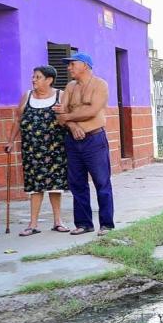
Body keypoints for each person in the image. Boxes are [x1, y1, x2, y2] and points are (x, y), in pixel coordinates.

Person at [52, 53, 114, 235]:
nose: (69, 67)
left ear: (85, 65)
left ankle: (107, 224)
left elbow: (93, 110)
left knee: (102, 182)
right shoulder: (70, 86)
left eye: (72, 64)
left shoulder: (100, 85)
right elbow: (59, 115)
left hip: (94, 139)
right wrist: (71, 126)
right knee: (77, 183)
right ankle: (84, 223)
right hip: (72, 140)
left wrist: (68, 117)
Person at [5, 66, 70, 236]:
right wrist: (11, 141)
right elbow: (18, 119)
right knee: (35, 187)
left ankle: (58, 221)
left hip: (55, 148)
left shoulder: (60, 95)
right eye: (33, 77)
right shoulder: (27, 96)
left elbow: (67, 118)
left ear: (49, 80)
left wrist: (63, 113)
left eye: (38, 77)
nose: (34, 80)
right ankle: (32, 224)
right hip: (31, 149)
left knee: (55, 186)